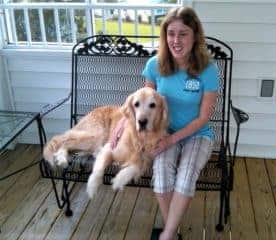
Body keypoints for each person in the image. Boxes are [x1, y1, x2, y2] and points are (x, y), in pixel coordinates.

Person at [111, 6, 219, 240]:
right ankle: (173, 226)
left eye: (183, 33)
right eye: (171, 33)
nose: (176, 40)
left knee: (187, 174)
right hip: (162, 132)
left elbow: (203, 118)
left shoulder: (208, 69)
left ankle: (168, 234)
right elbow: (143, 103)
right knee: (161, 177)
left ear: (195, 36)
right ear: (164, 36)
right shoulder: (155, 64)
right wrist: (123, 121)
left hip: (198, 133)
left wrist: (171, 140)